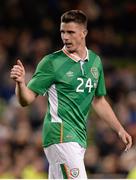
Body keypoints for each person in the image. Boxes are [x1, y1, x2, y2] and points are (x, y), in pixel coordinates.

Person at [10, 10, 132, 179]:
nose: (65, 37)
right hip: (60, 134)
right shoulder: (52, 62)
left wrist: (119, 129)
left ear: (84, 33)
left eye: (71, 32)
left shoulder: (95, 62)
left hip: (79, 138)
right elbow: (26, 99)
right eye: (62, 32)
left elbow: (99, 101)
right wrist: (21, 83)